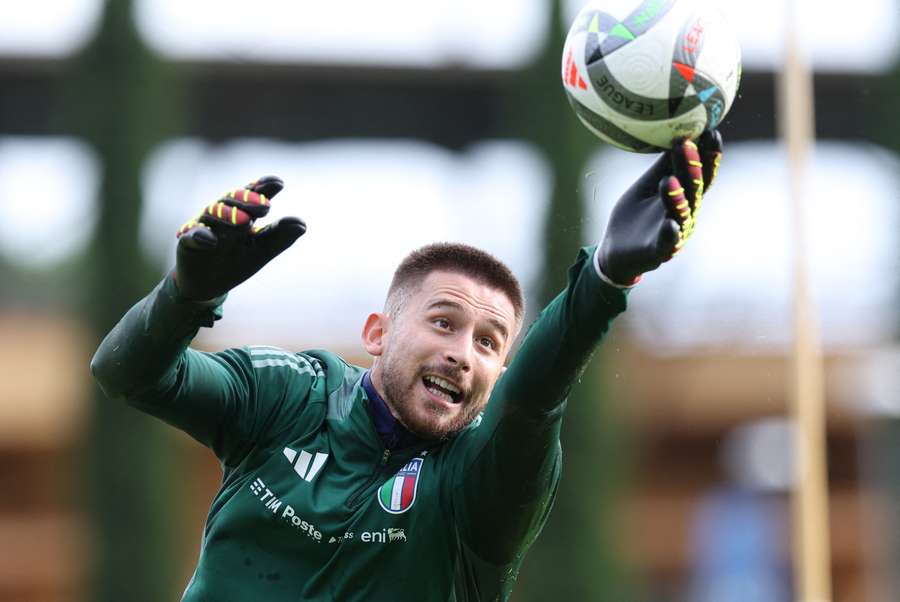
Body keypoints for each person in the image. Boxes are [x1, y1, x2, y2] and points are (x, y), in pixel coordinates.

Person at [91, 131, 723, 601]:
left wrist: (607, 278)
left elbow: (537, 399)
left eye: (488, 342)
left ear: (498, 373)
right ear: (377, 333)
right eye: (444, 322)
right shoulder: (289, 395)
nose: (461, 352)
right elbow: (127, 373)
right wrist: (185, 295)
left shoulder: (479, 486)